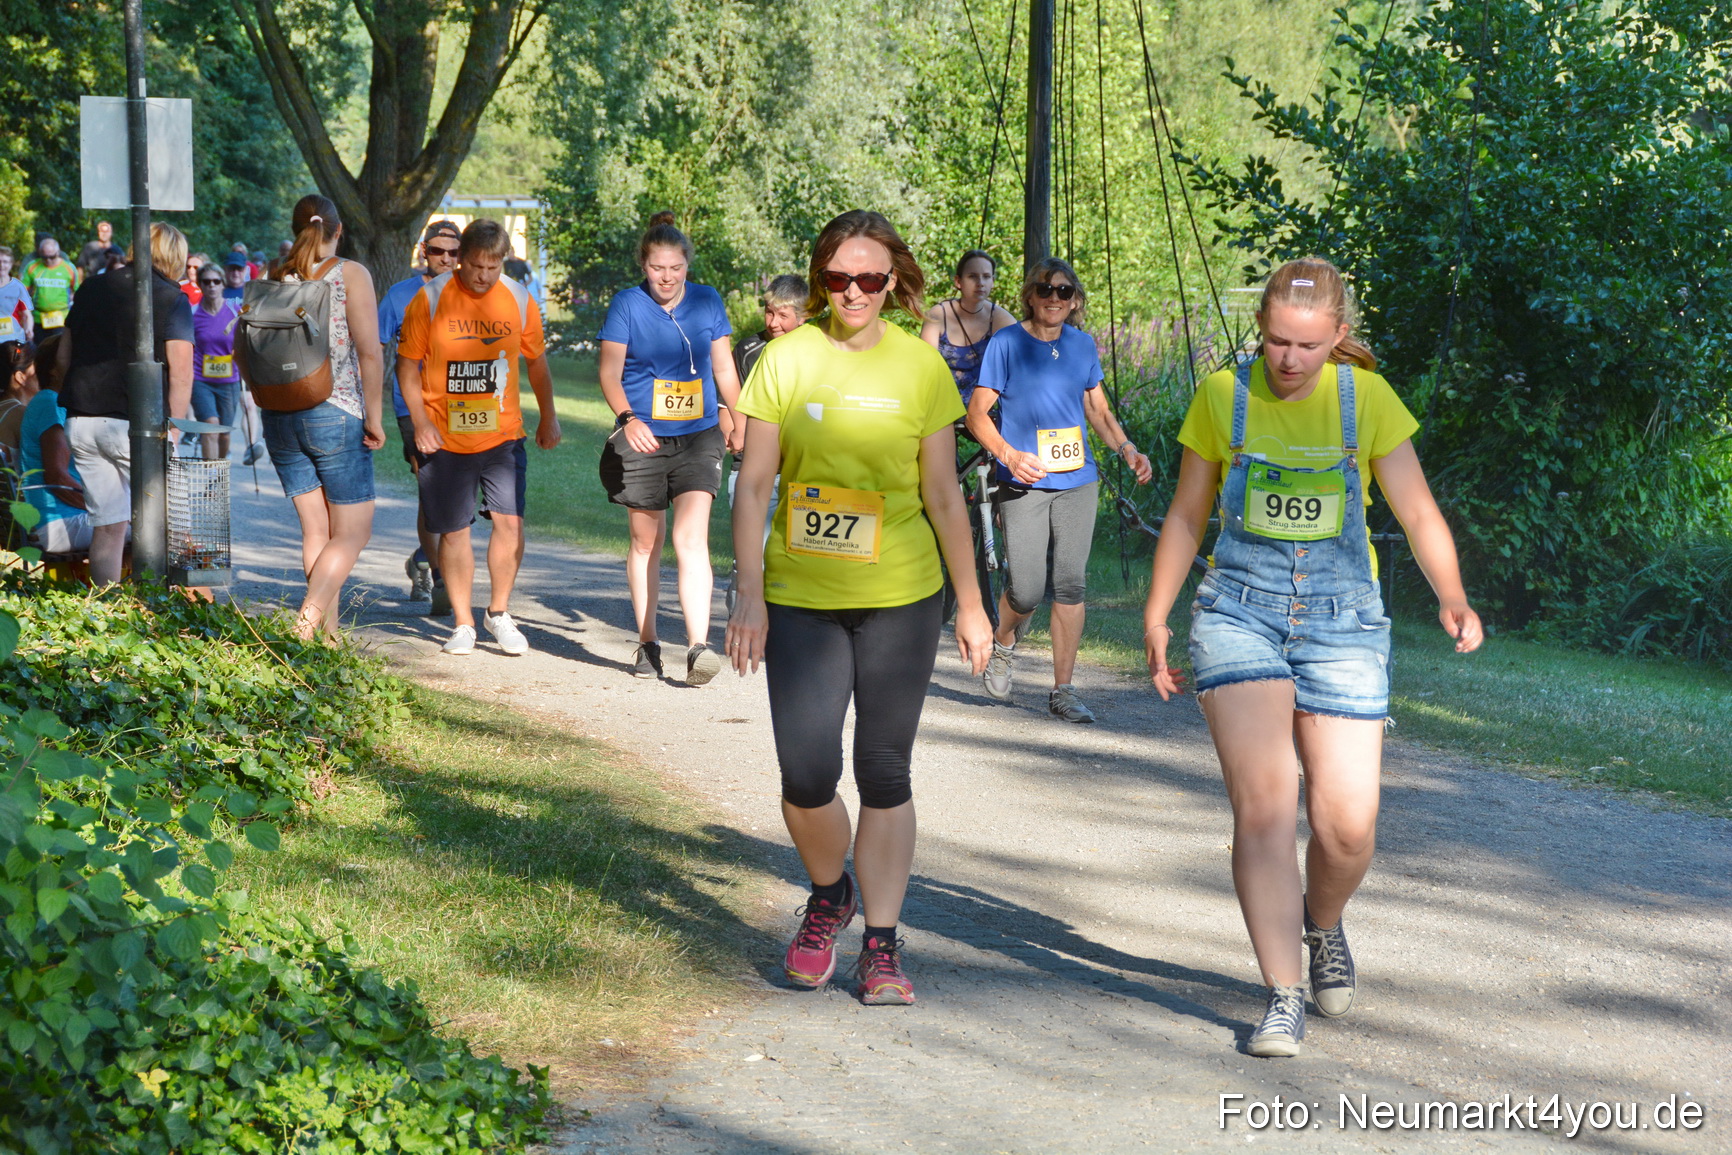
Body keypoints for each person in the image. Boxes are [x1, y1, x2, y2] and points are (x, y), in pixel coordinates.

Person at [1142, 257, 1483, 1058]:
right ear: (1259, 330)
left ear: (1338, 336)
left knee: (1347, 826)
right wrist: (1157, 613)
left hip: (1343, 621)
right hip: (1239, 614)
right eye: (1275, 341)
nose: (1288, 359)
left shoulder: (1368, 399)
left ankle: (1321, 922)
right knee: (1265, 805)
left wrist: (1452, 592)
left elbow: (1417, 509)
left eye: (1306, 344)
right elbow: (1187, 513)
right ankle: (1282, 993)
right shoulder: (1222, 396)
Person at [726, 209, 994, 1005]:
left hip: (901, 595)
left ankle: (880, 942)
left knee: (883, 769)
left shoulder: (921, 367)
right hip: (800, 596)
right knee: (807, 772)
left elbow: (943, 494)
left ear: (892, 280)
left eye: (870, 277)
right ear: (821, 279)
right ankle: (829, 894)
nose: (853, 291)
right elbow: (755, 484)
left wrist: (971, 603)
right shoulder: (785, 358)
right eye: (839, 277)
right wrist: (749, 593)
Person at [966, 258, 1153, 723]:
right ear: (1030, 296)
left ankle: (1063, 691)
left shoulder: (1082, 345)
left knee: (1071, 583)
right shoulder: (1007, 343)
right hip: (1024, 481)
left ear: (1075, 300)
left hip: (1077, 481)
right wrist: (1010, 456)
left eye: (1064, 291)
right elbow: (976, 415)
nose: (1054, 298)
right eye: (1045, 289)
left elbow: (1098, 409)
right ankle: (1004, 643)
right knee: (1027, 591)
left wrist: (1127, 448)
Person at [399, 218, 561, 656]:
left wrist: (549, 417)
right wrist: (420, 422)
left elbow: (537, 363)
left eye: (492, 267)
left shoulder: (519, 298)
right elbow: (407, 366)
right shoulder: (431, 298)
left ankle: (499, 613)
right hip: (444, 437)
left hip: (503, 436)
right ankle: (463, 623)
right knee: (454, 531)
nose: (483, 276)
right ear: (460, 260)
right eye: (475, 266)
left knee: (510, 523)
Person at [597, 211, 743, 684]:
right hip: (643, 436)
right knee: (646, 541)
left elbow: (724, 370)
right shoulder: (627, 304)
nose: (667, 277)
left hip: (699, 435)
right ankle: (648, 642)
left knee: (690, 538)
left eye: (676, 268)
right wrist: (628, 419)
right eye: (658, 268)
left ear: (687, 266)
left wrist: (741, 419)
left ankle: (699, 647)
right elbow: (609, 373)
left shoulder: (707, 300)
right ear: (644, 265)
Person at [256, 194, 385, 639]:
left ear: (296, 229)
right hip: (335, 409)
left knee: (317, 530)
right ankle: (305, 628)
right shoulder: (349, 274)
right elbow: (369, 352)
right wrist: (375, 417)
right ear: (338, 229)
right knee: (353, 533)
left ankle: (326, 640)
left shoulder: (274, 275)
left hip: (279, 414)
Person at [56, 223, 195, 585]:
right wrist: (175, 429)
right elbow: (182, 373)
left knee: (109, 523)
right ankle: (181, 606)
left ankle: (108, 605)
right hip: (136, 426)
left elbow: (62, 358)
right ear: (176, 257)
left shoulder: (91, 287)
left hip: (82, 421)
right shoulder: (172, 297)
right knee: (175, 521)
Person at [379, 219, 463, 606]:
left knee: (456, 493)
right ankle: (442, 579)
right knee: (431, 489)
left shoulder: (471, 294)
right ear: (423, 251)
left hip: (461, 406)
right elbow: (373, 348)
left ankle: (422, 560)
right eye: (437, 251)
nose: (445, 258)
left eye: (453, 252)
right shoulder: (399, 295)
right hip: (411, 407)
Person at [16, 336, 92, 555]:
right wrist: (101, 508)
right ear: (53, 370)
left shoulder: (52, 401)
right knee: (149, 529)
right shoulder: (51, 402)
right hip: (58, 524)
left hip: (59, 520)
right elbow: (57, 478)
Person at [919, 249, 1017, 406]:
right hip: (941, 408)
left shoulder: (1001, 319)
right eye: (972, 276)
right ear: (958, 281)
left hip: (986, 411)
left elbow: (1022, 365)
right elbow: (924, 369)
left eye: (986, 277)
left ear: (993, 281)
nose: (980, 283)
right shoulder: (938, 315)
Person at [190, 262, 242, 461]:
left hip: (229, 381)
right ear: (200, 285)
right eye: (206, 282)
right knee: (210, 427)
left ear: (223, 284)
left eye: (216, 281)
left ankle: (220, 469)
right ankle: (210, 475)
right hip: (201, 380)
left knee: (224, 433)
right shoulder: (193, 313)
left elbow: (246, 343)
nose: (211, 285)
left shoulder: (236, 312)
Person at [733, 274, 807, 384]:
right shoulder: (746, 351)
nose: (773, 323)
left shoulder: (814, 350)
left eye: (783, 316)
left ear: (802, 317)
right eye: (769, 313)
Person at [21, 237, 80, 340]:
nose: (48, 260)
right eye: (44, 257)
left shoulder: (69, 268)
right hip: (38, 317)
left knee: (58, 347)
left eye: (52, 257)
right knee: (39, 347)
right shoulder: (32, 266)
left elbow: (78, 291)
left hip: (61, 318)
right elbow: (22, 292)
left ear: (58, 252)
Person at [0, 247, 34, 345]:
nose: (2, 265)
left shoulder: (18, 287)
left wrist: (29, 329)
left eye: (5, 262)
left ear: (11, 264)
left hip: (12, 339)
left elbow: (27, 314)